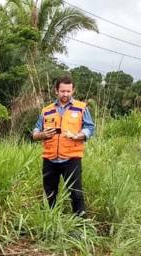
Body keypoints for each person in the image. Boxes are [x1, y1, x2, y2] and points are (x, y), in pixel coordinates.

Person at [31, 76, 95, 216]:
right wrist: (42, 134)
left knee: (76, 193)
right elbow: (35, 132)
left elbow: (90, 128)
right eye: (62, 91)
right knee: (49, 194)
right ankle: (49, 220)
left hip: (72, 158)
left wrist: (78, 135)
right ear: (56, 91)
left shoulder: (81, 108)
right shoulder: (46, 110)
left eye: (68, 91)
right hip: (49, 159)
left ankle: (80, 224)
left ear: (73, 90)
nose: (65, 94)